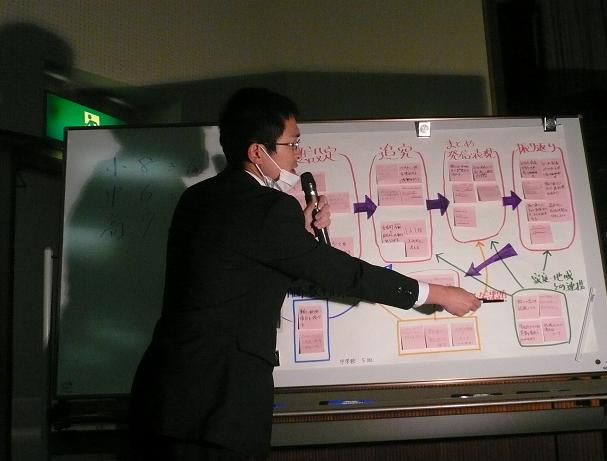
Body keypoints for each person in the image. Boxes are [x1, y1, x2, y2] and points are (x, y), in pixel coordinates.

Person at [129, 87, 481, 460]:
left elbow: (247, 269)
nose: (299, 153)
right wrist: (436, 293)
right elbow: (344, 274)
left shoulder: (197, 198)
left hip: (165, 397)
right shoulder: (268, 208)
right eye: (292, 143)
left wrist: (300, 234)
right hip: (217, 405)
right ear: (257, 152)